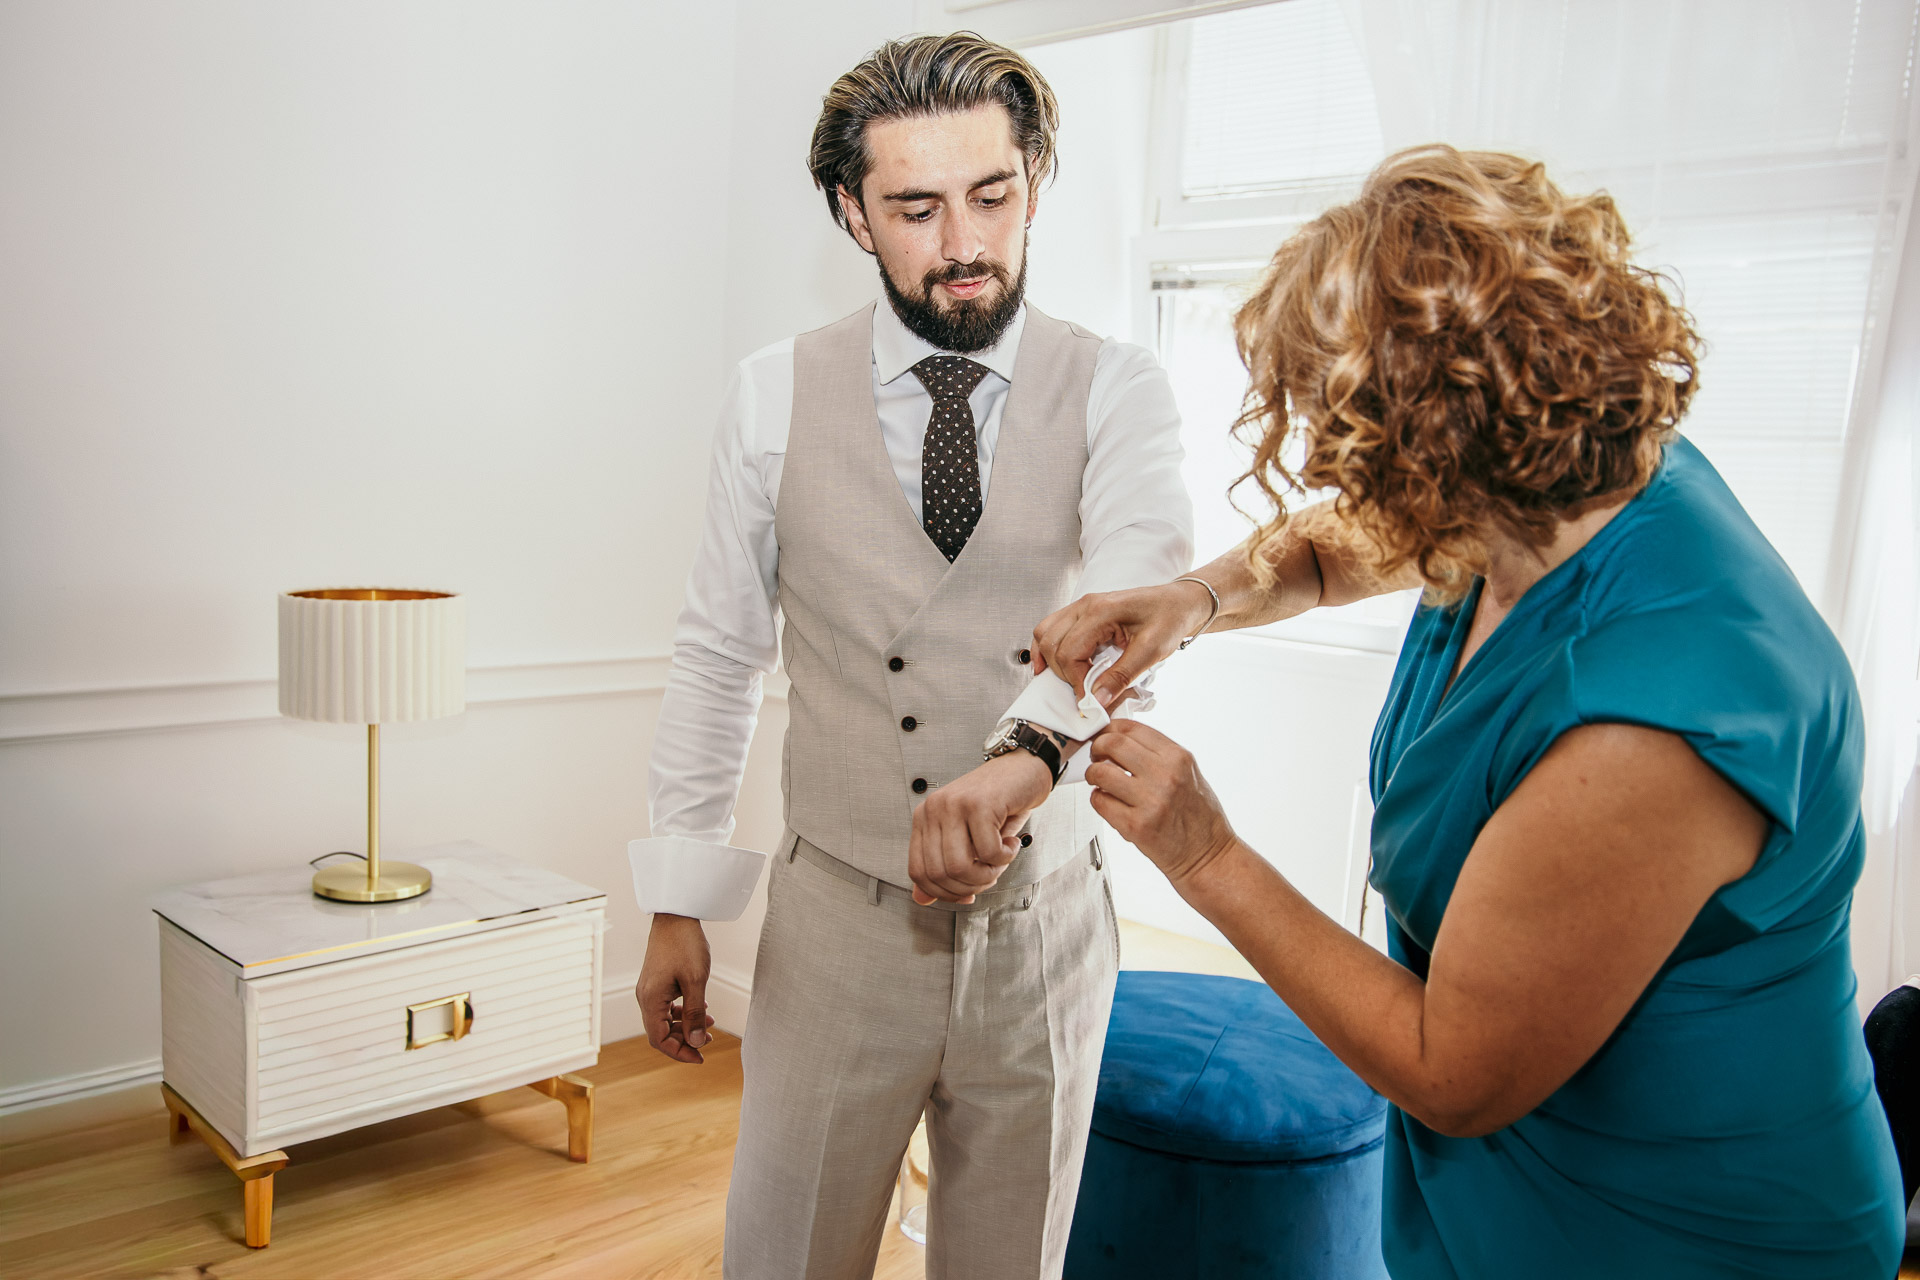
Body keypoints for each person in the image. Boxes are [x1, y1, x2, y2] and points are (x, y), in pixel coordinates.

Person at [1018, 146, 1905, 1277]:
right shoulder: (1551, 491)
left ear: (1442, 441)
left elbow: (1451, 1068)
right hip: (1502, 1194)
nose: (1326, 465)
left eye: (1348, 434)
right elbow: (1338, 549)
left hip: (1684, 1226)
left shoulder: (1657, 725)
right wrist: (1191, 600)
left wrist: (1207, 854)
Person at [627, 32, 1191, 1279]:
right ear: (851, 212)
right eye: (917, 209)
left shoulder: (1118, 389)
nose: (964, 244)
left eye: (994, 195)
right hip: (836, 926)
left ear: (1035, 181)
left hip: (1046, 931)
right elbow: (719, 655)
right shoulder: (770, 396)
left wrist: (1027, 759)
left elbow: (1135, 610)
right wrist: (678, 896)